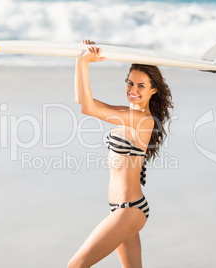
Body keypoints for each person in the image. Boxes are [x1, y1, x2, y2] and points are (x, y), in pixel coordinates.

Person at [68, 40, 173, 268]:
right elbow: (82, 101)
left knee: (75, 266)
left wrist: (86, 62)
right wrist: (80, 59)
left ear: (153, 89)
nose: (132, 90)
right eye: (130, 83)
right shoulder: (127, 112)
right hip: (119, 209)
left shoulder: (143, 121)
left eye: (140, 86)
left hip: (130, 210)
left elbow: (89, 109)